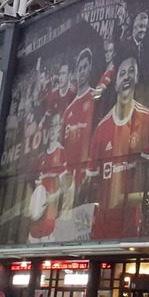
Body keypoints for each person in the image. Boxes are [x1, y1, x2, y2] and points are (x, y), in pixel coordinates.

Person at [87, 53, 149, 240]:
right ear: (115, 82)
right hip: (101, 227)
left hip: (131, 227)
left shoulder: (146, 119)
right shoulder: (101, 130)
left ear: (137, 78)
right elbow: (89, 185)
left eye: (131, 72)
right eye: (122, 73)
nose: (127, 76)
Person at [28, 112, 69, 242]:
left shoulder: (62, 153)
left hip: (51, 223)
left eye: (56, 126)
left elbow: (65, 187)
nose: (53, 129)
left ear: (60, 129)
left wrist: (50, 197)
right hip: (35, 222)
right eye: (51, 126)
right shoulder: (41, 157)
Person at [63, 48, 98, 190]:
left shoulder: (96, 99)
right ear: (76, 72)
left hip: (88, 177)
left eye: (85, 67)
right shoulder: (68, 111)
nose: (82, 71)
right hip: (69, 180)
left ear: (90, 68)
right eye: (79, 68)